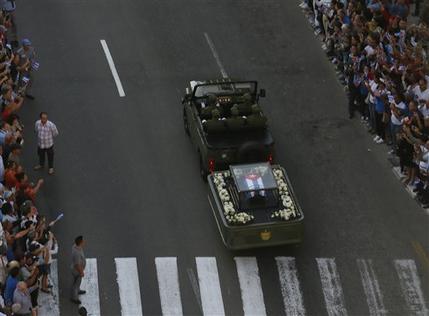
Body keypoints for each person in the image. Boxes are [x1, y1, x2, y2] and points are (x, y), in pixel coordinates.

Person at [70, 236, 86, 305]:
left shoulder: (75, 246)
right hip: (77, 271)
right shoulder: (77, 253)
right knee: (76, 284)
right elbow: (77, 265)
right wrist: (81, 272)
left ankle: (78, 290)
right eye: (83, 241)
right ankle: (74, 298)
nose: (84, 242)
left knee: (77, 283)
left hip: (75, 269)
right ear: (80, 242)